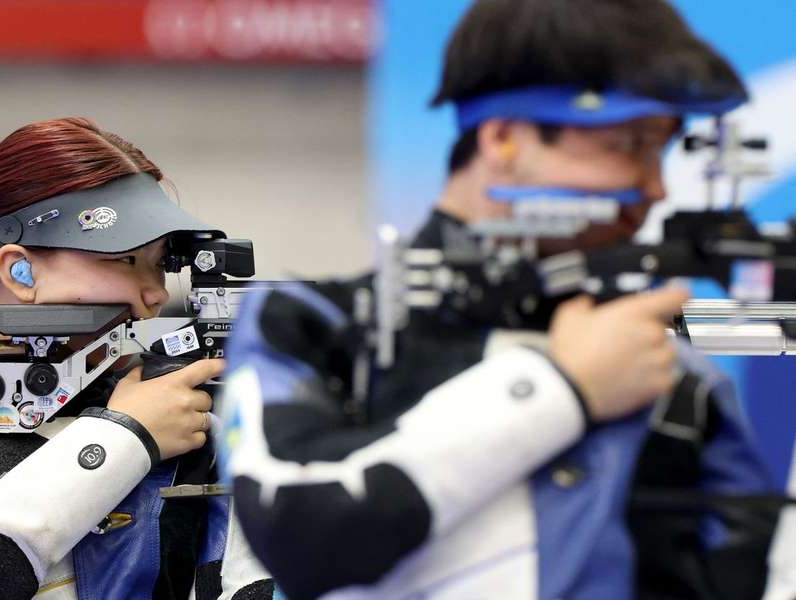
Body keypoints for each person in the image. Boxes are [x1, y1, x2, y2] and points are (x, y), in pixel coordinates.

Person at [218, 1, 792, 599]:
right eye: (628, 144)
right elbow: (299, 530)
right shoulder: (317, 322)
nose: (655, 189)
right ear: (503, 139)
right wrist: (563, 386)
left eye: (663, 150)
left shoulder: (672, 372)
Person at [0, 117, 271, 599]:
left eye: (159, 262)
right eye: (124, 258)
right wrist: (123, 439)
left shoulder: (195, 425)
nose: (155, 293)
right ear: (21, 272)